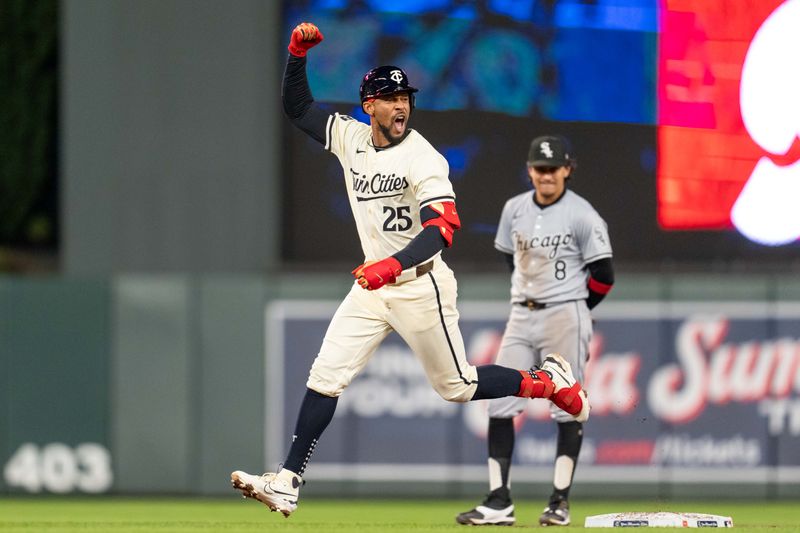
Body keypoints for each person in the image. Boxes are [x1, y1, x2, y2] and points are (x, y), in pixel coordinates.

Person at [230, 23, 590, 518]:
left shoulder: (423, 157)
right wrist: (296, 56)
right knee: (326, 375)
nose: (401, 105)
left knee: (457, 386)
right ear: (368, 105)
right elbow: (297, 109)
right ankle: (289, 480)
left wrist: (390, 266)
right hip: (373, 287)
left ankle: (546, 381)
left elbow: (443, 229)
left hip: (421, 287)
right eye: (389, 96)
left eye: (405, 96)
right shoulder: (352, 139)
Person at [456, 135, 614, 527]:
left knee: (568, 404)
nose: (546, 175)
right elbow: (512, 261)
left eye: (553, 168)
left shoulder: (583, 214)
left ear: (567, 170)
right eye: (539, 169)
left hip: (566, 312)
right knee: (499, 402)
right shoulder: (514, 209)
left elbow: (604, 276)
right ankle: (499, 500)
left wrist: (577, 308)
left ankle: (559, 501)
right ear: (530, 171)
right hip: (522, 314)